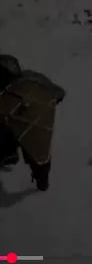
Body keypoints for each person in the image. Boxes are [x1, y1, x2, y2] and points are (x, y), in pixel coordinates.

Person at [0, 54, 65, 191]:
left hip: (31, 122)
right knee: (38, 151)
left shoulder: (14, 89)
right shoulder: (29, 78)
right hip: (36, 121)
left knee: (31, 143)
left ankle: (9, 155)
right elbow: (60, 93)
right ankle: (40, 180)